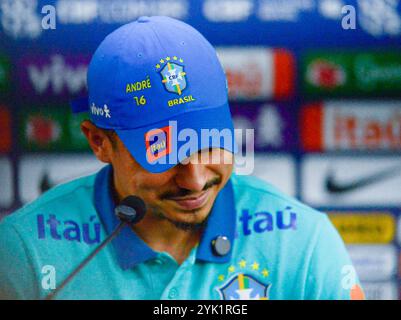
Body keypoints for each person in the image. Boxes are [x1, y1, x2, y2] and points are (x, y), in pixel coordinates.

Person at [0, 16, 364, 300]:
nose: (194, 179)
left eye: (209, 143)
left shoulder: (303, 241)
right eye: (161, 154)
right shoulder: (25, 249)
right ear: (99, 142)